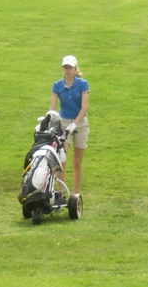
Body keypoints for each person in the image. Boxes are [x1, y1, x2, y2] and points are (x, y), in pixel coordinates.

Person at [49, 55, 90, 200]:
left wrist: (75, 124)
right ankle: (60, 193)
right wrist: (50, 120)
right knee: (62, 159)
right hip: (63, 123)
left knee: (77, 162)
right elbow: (52, 108)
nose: (67, 70)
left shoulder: (83, 84)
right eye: (65, 67)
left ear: (75, 69)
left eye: (70, 68)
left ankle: (76, 194)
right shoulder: (57, 85)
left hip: (81, 124)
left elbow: (84, 107)